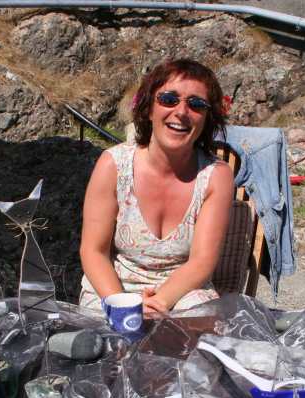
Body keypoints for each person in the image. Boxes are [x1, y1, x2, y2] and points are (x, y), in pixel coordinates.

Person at [79, 58, 234, 315]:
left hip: (182, 290)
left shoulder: (216, 176)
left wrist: (159, 303)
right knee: (101, 335)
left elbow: (202, 262)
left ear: (207, 118)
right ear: (149, 109)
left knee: (199, 318)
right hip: (115, 286)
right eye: (169, 99)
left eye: (196, 104)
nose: (181, 112)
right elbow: (93, 251)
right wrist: (124, 307)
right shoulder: (113, 165)